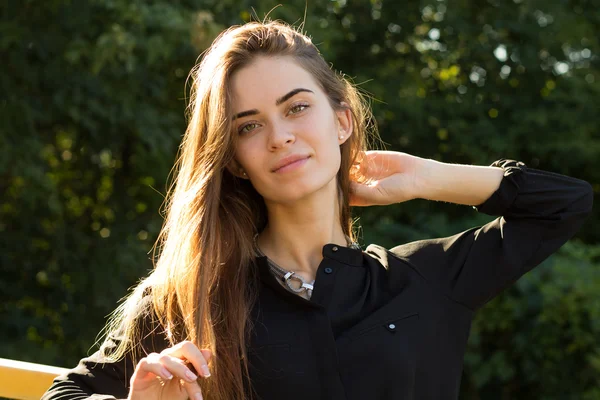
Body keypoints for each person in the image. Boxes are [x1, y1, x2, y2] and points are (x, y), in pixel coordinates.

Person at [42, 20, 593, 400]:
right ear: (233, 160)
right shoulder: (191, 294)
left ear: (342, 120)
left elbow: (565, 204)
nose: (280, 137)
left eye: (297, 108)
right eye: (249, 126)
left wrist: (426, 177)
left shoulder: (425, 280)